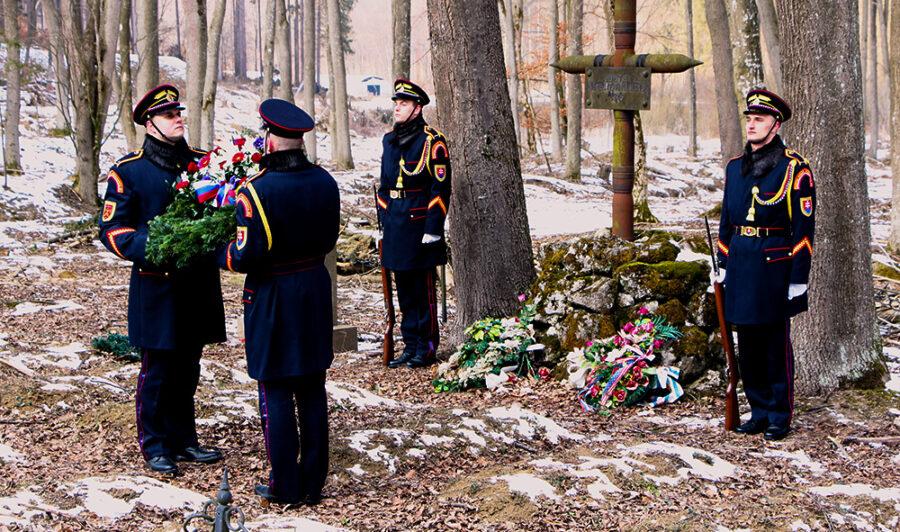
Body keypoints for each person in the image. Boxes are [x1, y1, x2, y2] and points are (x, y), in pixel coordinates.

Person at [98, 84, 226, 474]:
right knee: (158, 371)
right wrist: (153, 245)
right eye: (170, 115)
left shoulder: (205, 164)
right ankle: (155, 444)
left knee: (189, 366)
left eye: (179, 113)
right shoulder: (129, 171)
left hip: (198, 284)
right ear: (150, 123)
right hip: (158, 284)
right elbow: (112, 230)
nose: (179, 119)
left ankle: (184, 439)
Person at [219, 98, 340, 505]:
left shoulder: (256, 191)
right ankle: (313, 482)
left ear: (270, 140)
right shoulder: (326, 182)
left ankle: (284, 483)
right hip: (314, 288)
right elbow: (329, 239)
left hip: (273, 294)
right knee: (311, 385)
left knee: (274, 386)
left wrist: (218, 251)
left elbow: (243, 256)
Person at [715, 88, 816, 441]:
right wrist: (723, 262)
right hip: (741, 263)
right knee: (747, 343)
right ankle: (757, 411)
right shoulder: (734, 168)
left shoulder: (794, 169)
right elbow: (727, 221)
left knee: (774, 343)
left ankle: (778, 414)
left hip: (775, 265)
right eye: (750, 119)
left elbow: (804, 230)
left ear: (775, 125)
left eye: (760, 119)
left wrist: (797, 279)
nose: (752, 125)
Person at [376, 79, 451, 369]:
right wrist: (385, 218)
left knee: (423, 291)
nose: (397, 108)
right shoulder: (389, 140)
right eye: (396, 103)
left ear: (417, 108)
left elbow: (440, 188)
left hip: (420, 224)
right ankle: (409, 345)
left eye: (404, 104)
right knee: (404, 289)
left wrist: (433, 228)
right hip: (395, 222)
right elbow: (384, 186)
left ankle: (427, 346)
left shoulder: (433, 142)